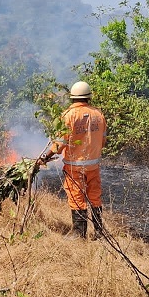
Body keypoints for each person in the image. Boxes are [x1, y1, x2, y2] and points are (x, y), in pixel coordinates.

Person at [38, 80, 107, 239]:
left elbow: (60, 143)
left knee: (77, 197)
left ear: (72, 97)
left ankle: (78, 232)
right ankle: (99, 233)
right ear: (89, 97)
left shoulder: (68, 115)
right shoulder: (98, 114)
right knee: (94, 197)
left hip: (74, 166)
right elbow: (102, 140)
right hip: (93, 166)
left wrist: (45, 157)